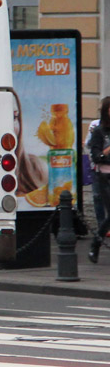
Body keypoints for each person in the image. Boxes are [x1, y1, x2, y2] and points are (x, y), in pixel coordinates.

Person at [87, 97, 110, 262]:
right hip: (105, 176)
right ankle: (95, 244)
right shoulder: (99, 131)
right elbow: (96, 156)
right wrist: (107, 150)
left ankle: (96, 243)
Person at [90, 119, 107, 231]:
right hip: (99, 168)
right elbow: (89, 144)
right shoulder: (96, 125)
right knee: (98, 197)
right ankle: (102, 226)